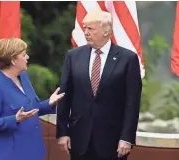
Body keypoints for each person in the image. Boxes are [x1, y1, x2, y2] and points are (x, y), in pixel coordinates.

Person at [56, 10, 142, 160]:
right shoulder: (73, 56)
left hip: (113, 142)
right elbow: (65, 96)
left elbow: (132, 102)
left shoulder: (128, 59)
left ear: (106, 31)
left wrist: (127, 138)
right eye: (84, 28)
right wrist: (62, 132)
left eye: (90, 28)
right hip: (79, 139)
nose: (86, 32)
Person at [0, 38, 64, 160]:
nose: (28, 57)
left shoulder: (23, 77)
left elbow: (31, 110)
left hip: (34, 151)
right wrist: (15, 119)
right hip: (10, 154)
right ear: (13, 60)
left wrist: (49, 103)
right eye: (24, 55)